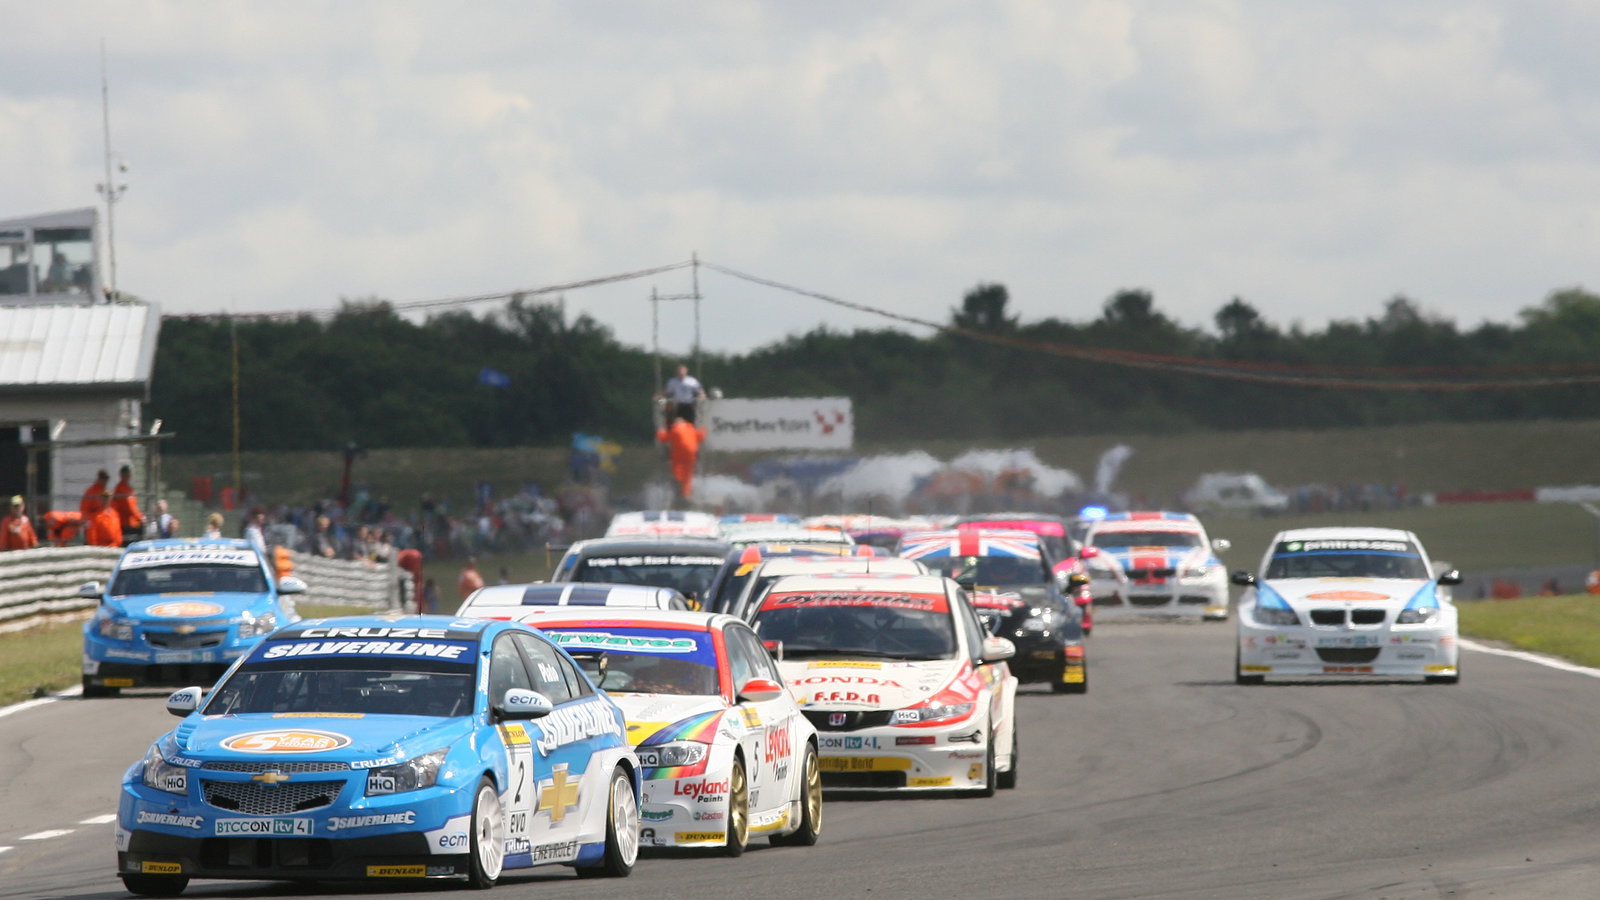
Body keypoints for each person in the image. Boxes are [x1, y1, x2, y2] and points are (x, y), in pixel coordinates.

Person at [656, 416, 706, 500]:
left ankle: (678, 490)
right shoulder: (691, 429)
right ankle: (686, 493)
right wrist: (703, 429)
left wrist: (659, 431)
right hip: (690, 454)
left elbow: (663, 438)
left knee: (677, 473)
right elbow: (700, 437)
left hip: (679, 455)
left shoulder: (675, 430)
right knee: (688, 474)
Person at [112, 465, 145, 542]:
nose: (127, 476)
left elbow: (134, 506)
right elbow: (129, 508)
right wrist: (140, 518)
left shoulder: (128, 488)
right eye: (125, 474)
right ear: (121, 475)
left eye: (128, 474)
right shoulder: (120, 489)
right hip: (126, 524)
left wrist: (139, 517)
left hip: (133, 523)